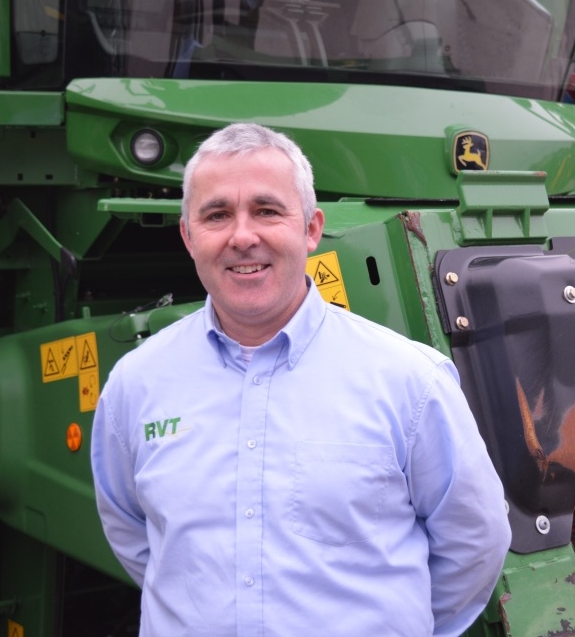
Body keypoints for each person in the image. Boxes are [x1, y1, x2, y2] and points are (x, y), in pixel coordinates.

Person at [91, 122, 512, 636]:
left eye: (267, 211)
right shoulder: (136, 383)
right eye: (217, 215)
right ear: (188, 236)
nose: (242, 237)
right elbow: (134, 533)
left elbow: (474, 542)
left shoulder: (410, 381)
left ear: (311, 229)